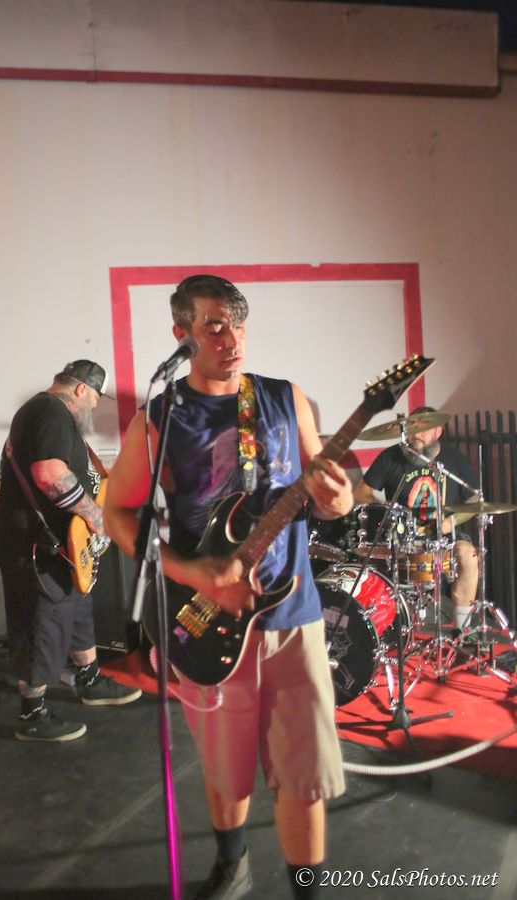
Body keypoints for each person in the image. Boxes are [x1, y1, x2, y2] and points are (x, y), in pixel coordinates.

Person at [103, 275, 353, 899]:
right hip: (208, 616)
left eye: (238, 324)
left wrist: (340, 500)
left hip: (294, 615)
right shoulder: (161, 417)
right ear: (181, 334)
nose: (231, 339)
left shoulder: (283, 397)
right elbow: (117, 513)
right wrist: (192, 574)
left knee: (304, 777)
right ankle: (231, 863)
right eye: (214, 326)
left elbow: (325, 486)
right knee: (226, 770)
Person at [0, 360, 141, 743]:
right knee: (41, 627)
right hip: (35, 546)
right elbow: (50, 474)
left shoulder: (48, 414)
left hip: (61, 546)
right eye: (95, 397)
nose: (95, 406)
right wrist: (96, 517)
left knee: (76, 609)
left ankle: (89, 680)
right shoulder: (50, 411)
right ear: (80, 389)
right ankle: (32, 714)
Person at [354, 407, 479, 632]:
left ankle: (463, 629)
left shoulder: (454, 459)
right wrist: (385, 511)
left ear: (438, 432)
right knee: (369, 557)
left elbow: (475, 501)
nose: (416, 434)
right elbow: (361, 492)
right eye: (412, 428)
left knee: (468, 556)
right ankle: (380, 627)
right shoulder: (390, 456)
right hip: (400, 537)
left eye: (424, 428)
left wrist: (450, 523)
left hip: (443, 536)